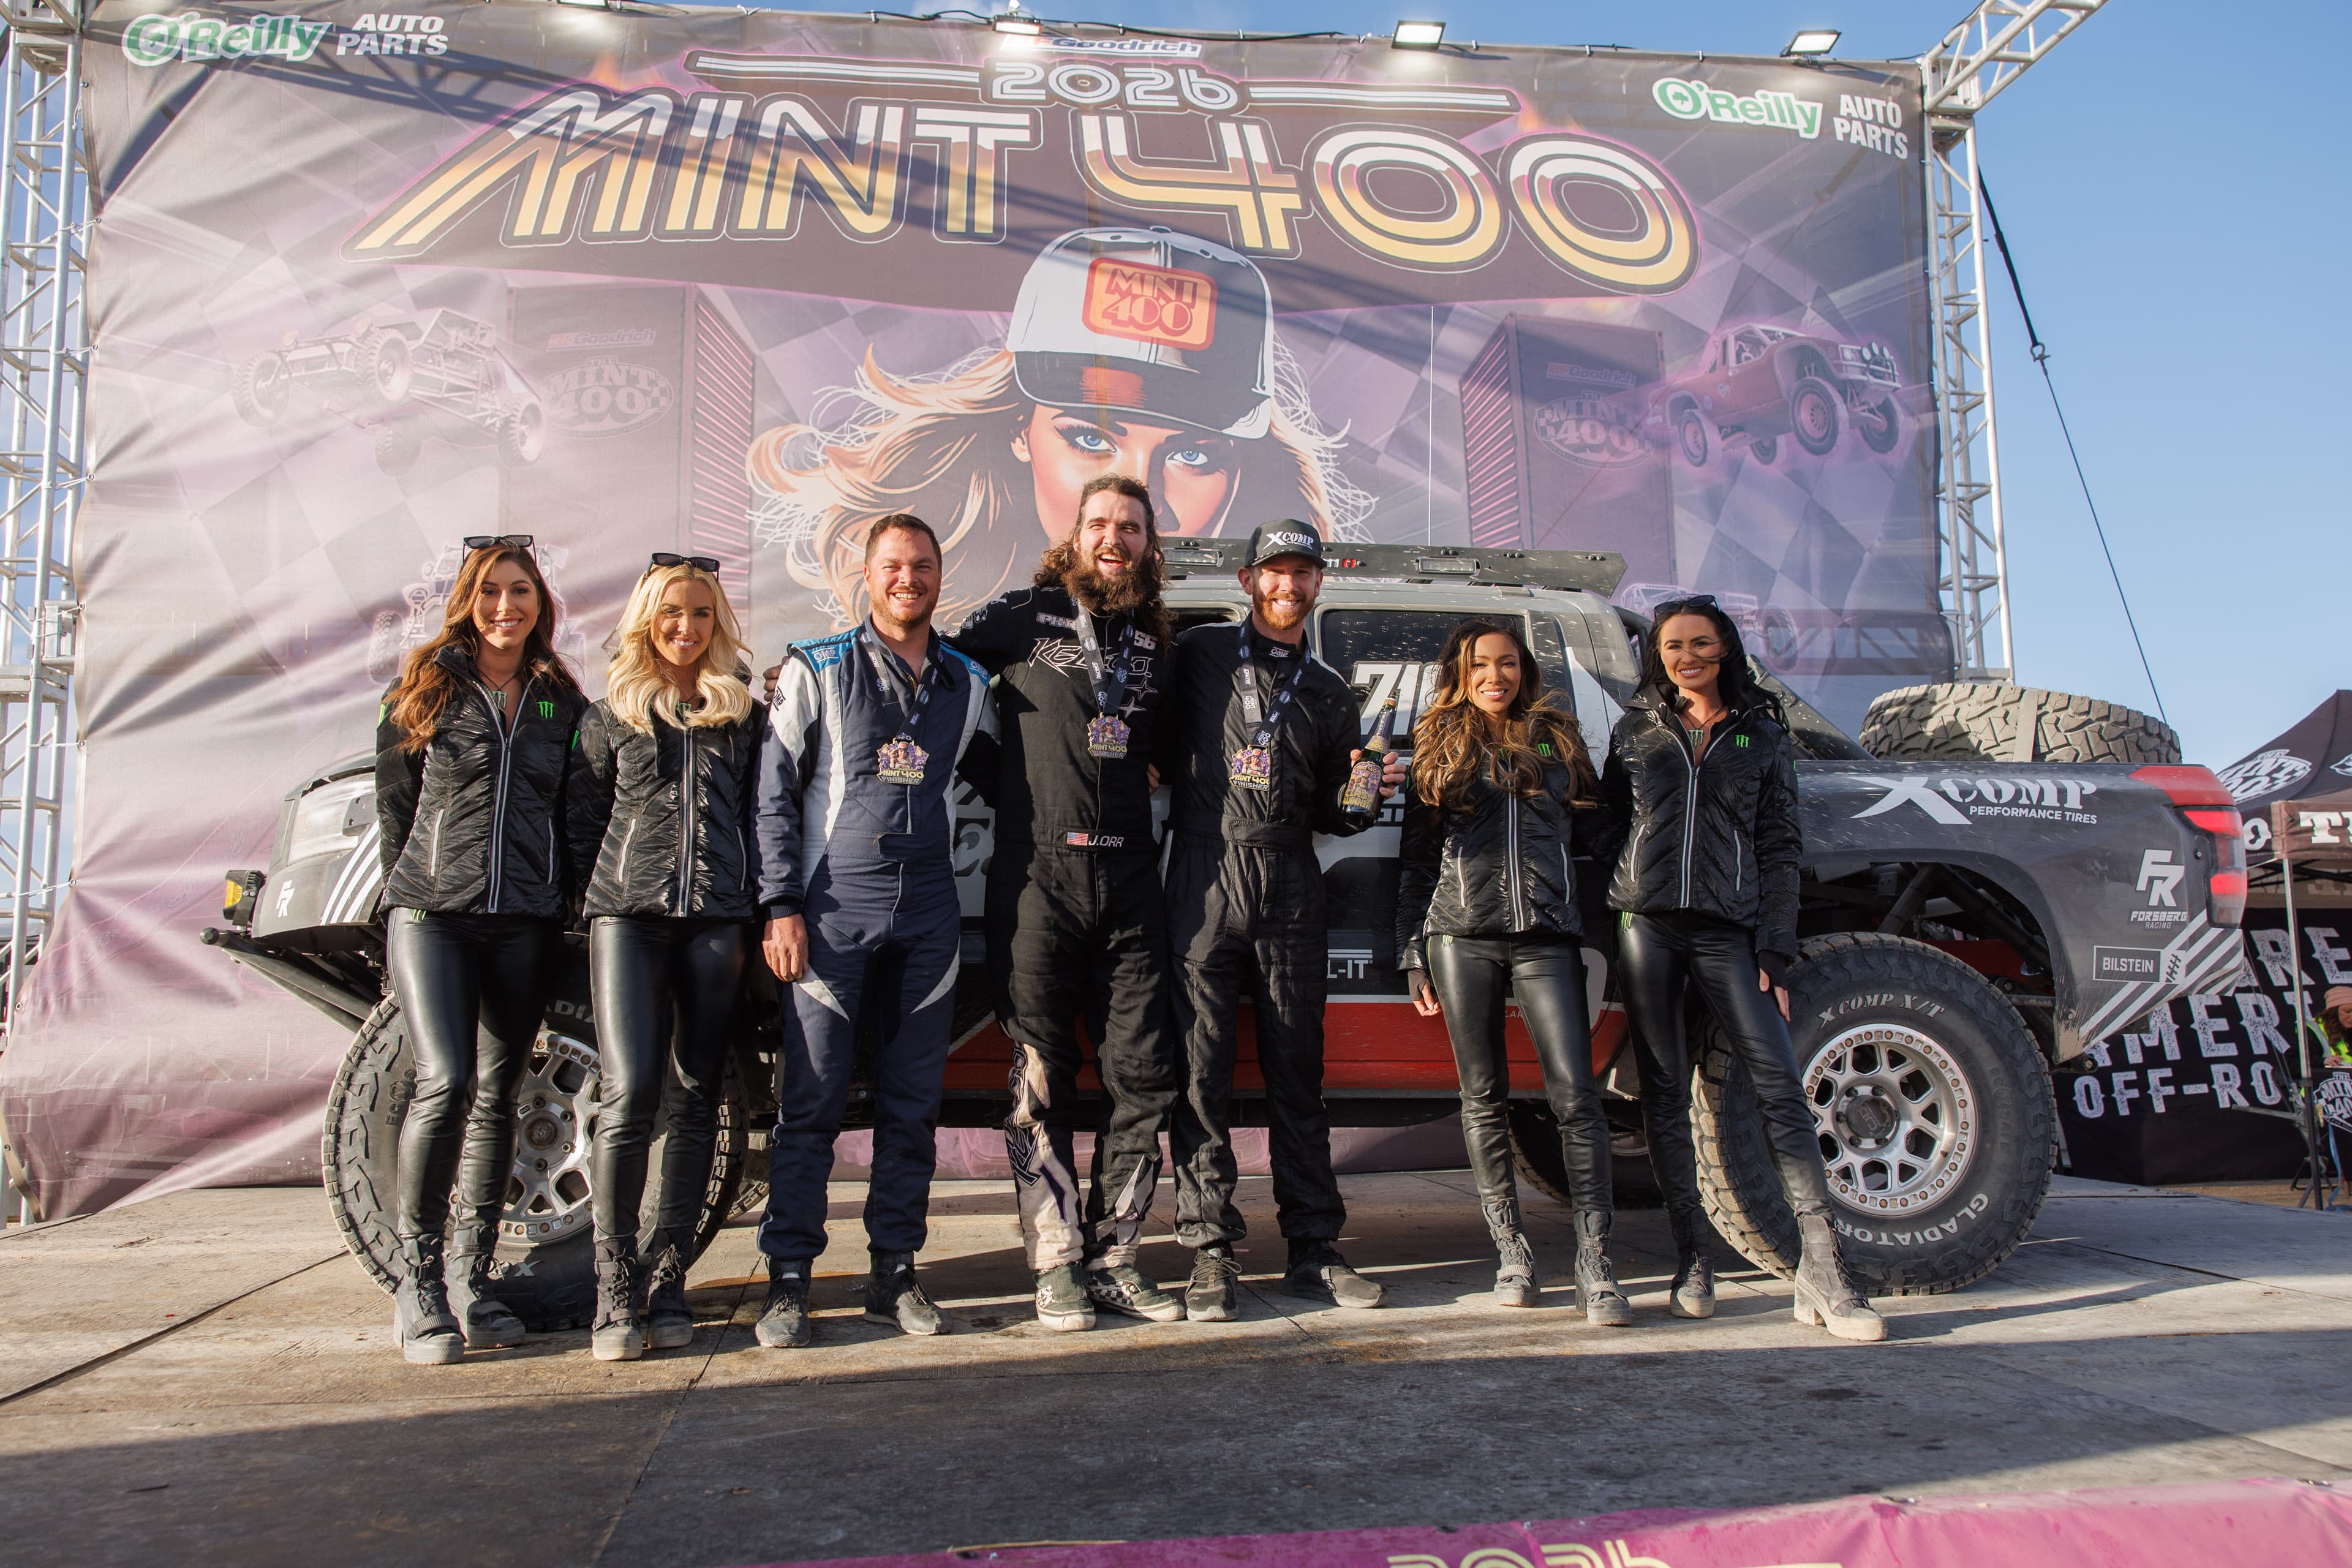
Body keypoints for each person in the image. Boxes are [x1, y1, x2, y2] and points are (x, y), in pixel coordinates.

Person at [748, 226, 1370, 631]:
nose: (1139, 496)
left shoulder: (1225, 641)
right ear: (1019, 428)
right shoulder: (985, 624)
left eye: (1194, 456)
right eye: (1092, 437)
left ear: (1242, 470)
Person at [1596, 594, 1884, 1341]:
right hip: (1648, 928)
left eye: (1699, 644)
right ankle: (1693, 1258)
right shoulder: (1634, 732)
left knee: (1779, 1087)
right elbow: (1602, 832)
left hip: (1730, 933)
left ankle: (1823, 1271)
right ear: (1657, 657)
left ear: (1724, 649)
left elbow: (1782, 847)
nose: (1685, 657)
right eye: (1671, 647)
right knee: (1662, 1093)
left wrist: (1775, 949)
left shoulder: (1761, 735)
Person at [751, 514, 993, 1349]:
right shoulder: (815, 667)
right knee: (811, 1104)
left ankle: (894, 1273)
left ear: (939, 575)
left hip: (928, 916)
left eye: (922, 566)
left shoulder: (970, 681)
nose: (909, 580)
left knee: (912, 1108)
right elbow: (773, 795)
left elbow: (1015, 771)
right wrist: (780, 905)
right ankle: (789, 1281)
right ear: (866, 575)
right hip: (830, 916)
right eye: (894, 566)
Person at [948, 472, 1183, 1331]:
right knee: (1039, 1081)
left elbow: (1169, 751)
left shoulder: (1159, 646)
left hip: (1130, 881)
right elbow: (933, 686)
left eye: (1130, 527)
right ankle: (1056, 1266)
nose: (1113, 539)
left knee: (1143, 1077)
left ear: (1148, 546)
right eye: (1100, 524)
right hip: (1037, 878)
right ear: (1074, 535)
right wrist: (1000, 780)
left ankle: (1117, 1257)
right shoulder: (1018, 619)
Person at [1158, 520, 1406, 1319]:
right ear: (1247, 580)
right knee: (1200, 1078)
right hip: (1203, 871)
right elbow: (1141, 734)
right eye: (1274, 573)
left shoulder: (1332, 692)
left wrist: (1367, 793)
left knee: (1298, 1078)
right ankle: (1208, 1255)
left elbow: (1338, 814)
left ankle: (1314, 1251)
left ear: (1317, 585)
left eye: (1302, 573)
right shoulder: (1197, 656)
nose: (1288, 586)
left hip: (1291, 876)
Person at [374, 536, 587, 1364]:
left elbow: (572, 810)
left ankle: (471, 1277)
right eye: (493, 591)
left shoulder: (557, 698)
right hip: (433, 916)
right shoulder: (423, 688)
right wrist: (418, 888)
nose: (508, 607)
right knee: (446, 1082)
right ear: (469, 599)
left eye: (522, 591)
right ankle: (417, 1281)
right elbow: (398, 806)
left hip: (524, 922)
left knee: (499, 1093)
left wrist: (552, 900)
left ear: (541, 603)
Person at [1395, 619, 1630, 1324]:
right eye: (1479, 666)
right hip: (1459, 937)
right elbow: (1415, 860)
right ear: (1460, 675)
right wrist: (1413, 951)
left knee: (1576, 1097)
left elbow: (1601, 836)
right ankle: (1512, 1253)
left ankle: (1596, 1261)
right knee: (1483, 1096)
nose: (1493, 676)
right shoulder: (1436, 741)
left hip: (1547, 939)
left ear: (1523, 670)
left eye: (1505, 664)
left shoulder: (1555, 739)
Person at [566, 555, 763, 1361]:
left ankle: (667, 1278)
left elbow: (758, 815)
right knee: (629, 1094)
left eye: (702, 615)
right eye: (672, 613)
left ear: (718, 626)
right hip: (628, 921)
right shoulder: (607, 714)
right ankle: (614, 1287)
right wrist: (605, 895)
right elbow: (581, 826)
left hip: (717, 922)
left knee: (695, 1098)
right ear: (648, 619)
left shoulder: (740, 715)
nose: (687, 628)